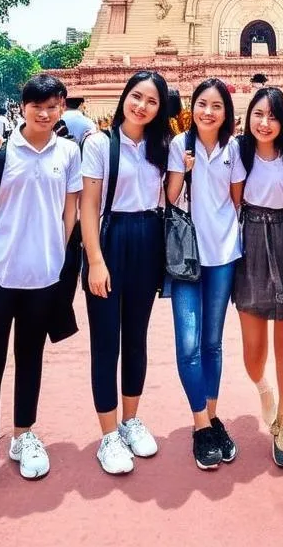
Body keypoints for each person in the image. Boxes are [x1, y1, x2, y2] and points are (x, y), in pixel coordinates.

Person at [0, 74, 83, 509]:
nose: (45, 113)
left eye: (53, 106)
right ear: (22, 107)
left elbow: (71, 211)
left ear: (63, 106)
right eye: (37, 106)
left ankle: (24, 435)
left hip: (42, 279)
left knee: (30, 359)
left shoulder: (68, 152)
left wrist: (54, 252)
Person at [81, 71, 170, 475]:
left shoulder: (162, 148)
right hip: (111, 238)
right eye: (136, 97)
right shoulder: (100, 144)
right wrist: (95, 261)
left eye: (152, 102)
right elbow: (88, 207)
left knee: (136, 337)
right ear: (124, 98)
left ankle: (130, 420)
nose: (142, 107)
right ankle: (108, 435)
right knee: (106, 342)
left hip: (148, 238)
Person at [165, 78, 246, 471]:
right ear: (191, 108)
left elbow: (236, 200)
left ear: (226, 112)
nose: (208, 112)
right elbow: (170, 196)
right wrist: (183, 169)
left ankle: (211, 418)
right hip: (186, 258)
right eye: (202, 104)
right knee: (188, 344)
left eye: (216, 106)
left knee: (213, 343)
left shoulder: (234, 149)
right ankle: (200, 423)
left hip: (224, 256)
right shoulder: (180, 145)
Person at [233, 86, 283, 469]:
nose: (265, 122)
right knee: (253, 351)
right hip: (251, 243)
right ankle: (264, 389)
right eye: (258, 114)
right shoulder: (239, 153)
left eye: (273, 115)